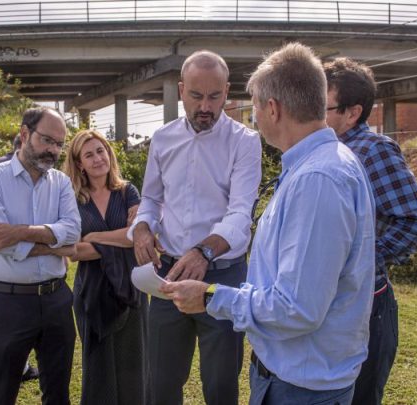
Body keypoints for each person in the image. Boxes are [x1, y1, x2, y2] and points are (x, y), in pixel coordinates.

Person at [161, 42, 376, 405]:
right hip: (297, 376)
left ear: (273, 108)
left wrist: (211, 297)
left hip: (300, 386)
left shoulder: (318, 180)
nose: (254, 118)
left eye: (255, 108)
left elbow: (297, 308)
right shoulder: (321, 165)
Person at [129, 50, 262, 405]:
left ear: (227, 91)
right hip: (168, 275)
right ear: (180, 89)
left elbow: (239, 213)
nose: (206, 106)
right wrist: (142, 227)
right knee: (160, 382)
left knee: (220, 386)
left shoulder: (245, 142)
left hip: (223, 276)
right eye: (196, 96)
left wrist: (204, 251)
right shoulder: (162, 139)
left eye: (215, 97)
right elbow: (152, 199)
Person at [323, 58, 417, 405]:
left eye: (321, 106)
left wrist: (361, 259)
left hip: (369, 308)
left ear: (352, 113)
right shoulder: (329, 150)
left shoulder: (374, 151)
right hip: (336, 303)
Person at [0, 107, 81, 405]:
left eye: (59, 144)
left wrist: (18, 232)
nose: (53, 150)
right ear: (24, 134)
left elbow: (73, 232)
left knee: (58, 392)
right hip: (9, 302)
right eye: (47, 140)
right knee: (1, 392)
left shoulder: (60, 182)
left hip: (57, 299)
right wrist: (54, 245)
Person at [62, 129, 149, 405]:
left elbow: (137, 235)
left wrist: (96, 237)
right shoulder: (72, 200)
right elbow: (75, 251)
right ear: (79, 164)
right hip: (92, 292)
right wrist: (121, 237)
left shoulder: (128, 191)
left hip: (130, 288)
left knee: (134, 363)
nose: (98, 158)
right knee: (97, 365)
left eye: (101, 151)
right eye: (89, 154)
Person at [0, 133, 40, 383]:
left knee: (1, 330)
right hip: (11, 257)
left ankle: (2, 369)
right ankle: (13, 369)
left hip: (4, 265)